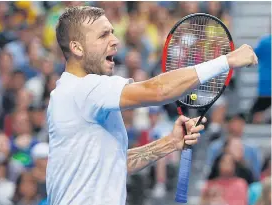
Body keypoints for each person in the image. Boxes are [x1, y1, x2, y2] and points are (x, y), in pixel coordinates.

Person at [46, 6, 257, 205]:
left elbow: (117, 164)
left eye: (112, 32)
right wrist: (226, 61)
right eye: (103, 35)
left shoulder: (68, 93)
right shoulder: (85, 89)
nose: (115, 40)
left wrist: (169, 143)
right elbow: (159, 90)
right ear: (76, 47)